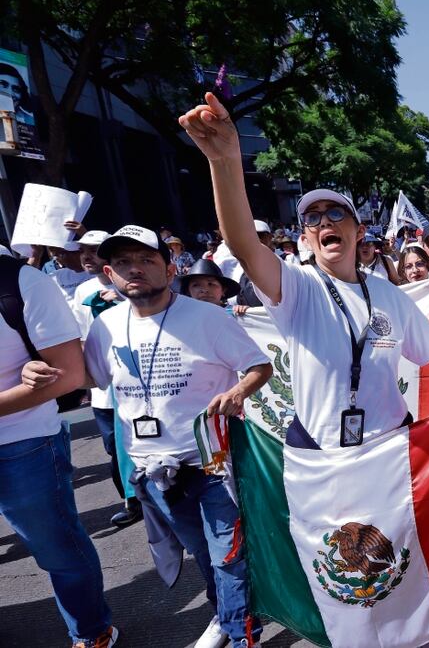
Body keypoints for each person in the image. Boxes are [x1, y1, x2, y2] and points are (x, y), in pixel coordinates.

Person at [179, 93, 429, 453]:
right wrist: (223, 160)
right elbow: (242, 243)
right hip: (319, 454)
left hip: (390, 450)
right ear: (305, 236)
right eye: (313, 217)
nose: (325, 222)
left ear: (359, 231)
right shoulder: (295, 285)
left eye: (336, 214)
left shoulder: (390, 296)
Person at [70, 225, 272, 648]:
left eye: (146, 260)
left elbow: (259, 366)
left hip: (213, 464)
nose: (135, 269)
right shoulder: (105, 326)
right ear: (109, 272)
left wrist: (235, 392)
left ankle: (241, 637)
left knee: (228, 557)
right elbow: (86, 378)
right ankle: (225, 614)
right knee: (203, 555)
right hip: (153, 470)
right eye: (124, 262)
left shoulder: (208, 318)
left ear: (170, 266)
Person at [1, 252, 117, 648]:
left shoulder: (21, 282)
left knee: (56, 547)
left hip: (23, 441)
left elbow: (68, 374)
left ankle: (91, 629)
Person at [70, 230, 142, 527]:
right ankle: (131, 501)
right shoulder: (82, 290)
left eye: (94, 250)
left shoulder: (137, 286)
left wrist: (122, 296)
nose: (87, 257)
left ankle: (155, 499)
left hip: (139, 382)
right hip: (103, 390)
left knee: (143, 441)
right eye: (83, 250)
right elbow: (79, 336)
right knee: (115, 447)